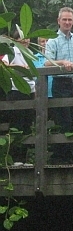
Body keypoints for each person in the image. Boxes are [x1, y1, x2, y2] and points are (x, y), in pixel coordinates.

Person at [44, 7, 73, 164]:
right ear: (58, 21)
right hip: (60, 83)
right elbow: (47, 62)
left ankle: (68, 157)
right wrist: (62, 62)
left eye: (70, 20)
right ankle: (60, 157)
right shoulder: (53, 40)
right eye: (64, 19)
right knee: (63, 121)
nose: (67, 22)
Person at [2, 32, 36, 166]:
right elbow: (3, 64)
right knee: (17, 124)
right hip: (16, 91)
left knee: (27, 125)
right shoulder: (12, 51)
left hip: (30, 91)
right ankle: (15, 158)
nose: (25, 40)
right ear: (15, 40)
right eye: (22, 37)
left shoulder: (29, 53)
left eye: (27, 37)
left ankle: (24, 158)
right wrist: (19, 68)